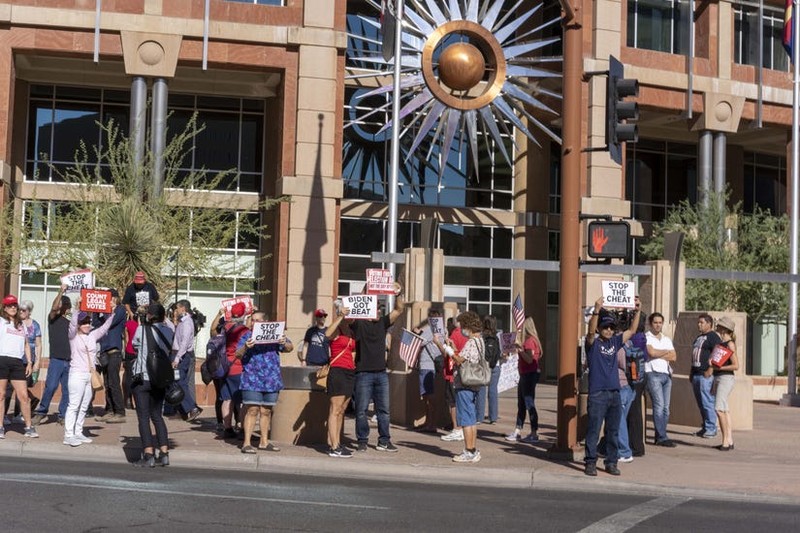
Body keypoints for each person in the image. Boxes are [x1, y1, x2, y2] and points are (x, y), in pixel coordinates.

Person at [583, 297, 640, 477]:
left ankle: (611, 462)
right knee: (593, 430)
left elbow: (631, 330)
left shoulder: (614, 342)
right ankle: (591, 463)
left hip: (615, 393)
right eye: (605, 327)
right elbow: (590, 333)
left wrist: (637, 310)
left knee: (613, 431)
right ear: (600, 328)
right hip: (598, 393)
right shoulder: (593, 344)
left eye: (611, 328)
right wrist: (597, 310)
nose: (608, 330)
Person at [351, 289, 404, 452]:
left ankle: (384, 440)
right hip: (363, 373)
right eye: (376, 308)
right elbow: (354, 312)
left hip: (381, 373)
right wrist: (366, 291)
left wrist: (398, 293)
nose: (379, 311)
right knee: (361, 410)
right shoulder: (359, 324)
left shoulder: (382, 323)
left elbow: (398, 310)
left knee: (384, 410)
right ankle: (362, 440)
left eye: (380, 309)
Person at [63, 296, 117, 447]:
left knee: (84, 404)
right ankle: (68, 434)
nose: (87, 324)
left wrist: (112, 313)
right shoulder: (73, 336)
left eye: (88, 322)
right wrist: (79, 307)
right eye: (84, 322)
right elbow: (73, 323)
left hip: (89, 375)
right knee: (74, 405)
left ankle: (78, 432)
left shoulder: (92, 335)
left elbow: (105, 327)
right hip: (77, 374)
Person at [236, 311, 291, 453]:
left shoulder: (275, 335)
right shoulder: (247, 337)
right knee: (252, 410)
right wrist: (246, 347)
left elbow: (289, 348)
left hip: (271, 379)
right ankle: (247, 443)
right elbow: (237, 354)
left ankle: (264, 442)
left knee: (266, 411)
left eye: (256, 320)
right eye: (252, 320)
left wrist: (284, 343)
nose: (253, 323)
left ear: (265, 322)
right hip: (252, 379)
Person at [131, 303, 174, 466]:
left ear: (149, 315)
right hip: (160, 379)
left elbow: (134, 346)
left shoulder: (141, 329)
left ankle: (148, 454)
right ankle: (164, 452)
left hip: (143, 378)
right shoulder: (169, 331)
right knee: (157, 416)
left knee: (143, 417)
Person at [443, 310, 485, 463]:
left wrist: (449, 350)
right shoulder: (480, 341)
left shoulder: (472, 342)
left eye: (462, 326)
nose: (461, 330)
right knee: (471, 419)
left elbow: (460, 360)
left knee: (466, 419)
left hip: (465, 384)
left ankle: (469, 450)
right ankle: (472, 449)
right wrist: (454, 347)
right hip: (474, 383)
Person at [31, 288, 72, 426]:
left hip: (70, 360)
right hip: (56, 360)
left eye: (67, 306)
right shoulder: (53, 318)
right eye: (64, 306)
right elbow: (54, 308)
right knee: (51, 386)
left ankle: (63, 415)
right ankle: (41, 412)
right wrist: (61, 291)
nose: (66, 309)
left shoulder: (71, 322)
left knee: (67, 390)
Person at [0, 295, 37, 439]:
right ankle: (1, 427)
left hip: (17, 362)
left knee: (24, 396)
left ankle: (28, 427)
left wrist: (29, 362)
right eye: (10, 305)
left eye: (15, 305)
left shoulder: (21, 325)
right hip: (2, 359)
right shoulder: (1, 321)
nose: (13, 308)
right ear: (4, 308)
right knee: (1, 395)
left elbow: (27, 344)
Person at [324, 304, 356, 458]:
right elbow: (327, 334)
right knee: (335, 409)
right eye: (349, 313)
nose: (351, 316)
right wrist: (340, 316)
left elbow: (353, 351)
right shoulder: (337, 328)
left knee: (342, 410)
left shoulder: (351, 331)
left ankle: (337, 442)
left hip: (349, 371)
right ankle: (334, 445)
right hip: (337, 370)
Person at [506, 316, 543, 443]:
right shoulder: (533, 340)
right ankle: (518, 430)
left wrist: (520, 350)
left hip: (528, 374)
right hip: (527, 374)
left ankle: (534, 432)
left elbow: (529, 359)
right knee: (522, 403)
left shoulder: (529, 341)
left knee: (528, 403)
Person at [5, 299, 42, 424]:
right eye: (20, 309)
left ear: (29, 311)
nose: (21, 311)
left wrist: (37, 362)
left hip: (27, 361)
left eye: (24, 310)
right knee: (8, 388)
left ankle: (18, 414)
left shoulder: (35, 325)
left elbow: (38, 345)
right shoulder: (15, 323)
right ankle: (4, 414)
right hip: (14, 358)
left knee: (22, 389)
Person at [94, 290, 128, 423]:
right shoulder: (105, 313)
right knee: (107, 382)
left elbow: (111, 322)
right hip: (104, 351)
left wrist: (109, 309)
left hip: (114, 351)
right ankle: (109, 409)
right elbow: (98, 325)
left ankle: (120, 411)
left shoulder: (119, 310)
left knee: (114, 381)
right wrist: (96, 310)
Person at [217, 302, 250, 438]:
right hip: (237, 367)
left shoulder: (225, 327)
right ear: (243, 315)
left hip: (224, 367)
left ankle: (227, 428)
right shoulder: (244, 330)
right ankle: (243, 429)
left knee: (227, 399)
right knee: (241, 401)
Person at [645, 312, 677, 447]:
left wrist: (659, 353)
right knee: (658, 406)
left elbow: (674, 357)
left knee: (666, 408)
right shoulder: (646, 337)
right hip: (652, 374)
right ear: (650, 324)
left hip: (666, 375)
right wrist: (665, 352)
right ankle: (662, 437)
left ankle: (661, 435)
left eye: (660, 323)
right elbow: (650, 353)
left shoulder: (666, 339)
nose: (658, 325)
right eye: (655, 322)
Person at [172, 299, 202, 422]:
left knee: (180, 382)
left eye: (177, 308)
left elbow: (184, 342)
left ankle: (192, 407)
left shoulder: (187, 323)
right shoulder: (182, 321)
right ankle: (184, 410)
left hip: (183, 356)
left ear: (183, 308)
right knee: (177, 382)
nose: (176, 310)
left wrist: (177, 358)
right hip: (178, 354)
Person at [691, 313, 720, 439]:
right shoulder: (699, 337)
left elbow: (718, 353)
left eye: (702, 322)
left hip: (705, 375)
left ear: (709, 324)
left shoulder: (713, 337)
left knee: (707, 401)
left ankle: (711, 428)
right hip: (696, 374)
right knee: (701, 403)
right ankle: (705, 427)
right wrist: (691, 372)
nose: (699, 324)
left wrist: (710, 369)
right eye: (698, 322)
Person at [414, 308, 443, 433]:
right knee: (427, 396)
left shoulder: (429, 330)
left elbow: (418, 343)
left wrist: (417, 332)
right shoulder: (443, 331)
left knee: (429, 396)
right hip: (432, 366)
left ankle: (432, 423)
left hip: (427, 365)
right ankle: (429, 422)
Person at [712, 316, 739, 451]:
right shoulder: (721, 343)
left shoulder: (729, 344)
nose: (716, 327)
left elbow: (736, 365)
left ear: (724, 328)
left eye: (719, 325)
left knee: (719, 409)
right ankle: (729, 439)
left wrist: (720, 368)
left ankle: (725, 441)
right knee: (725, 409)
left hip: (725, 378)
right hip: (719, 377)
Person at [475, 315, 501, 426]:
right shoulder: (499, 336)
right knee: (493, 391)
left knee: (481, 391)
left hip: (483, 366)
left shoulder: (480, 336)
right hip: (496, 365)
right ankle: (493, 417)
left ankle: (479, 417)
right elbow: (501, 353)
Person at [122, 308, 143, 410]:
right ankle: (137, 399)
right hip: (137, 352)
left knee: (129, 375)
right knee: (137, 376)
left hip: (129, 350)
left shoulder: (128, 324)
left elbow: (126, 339)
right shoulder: (142, 326)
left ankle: (128, 399)